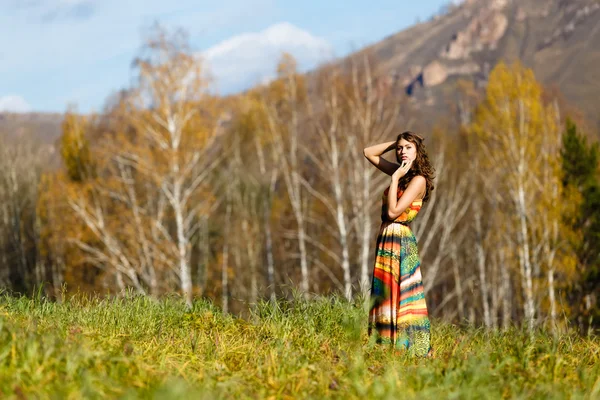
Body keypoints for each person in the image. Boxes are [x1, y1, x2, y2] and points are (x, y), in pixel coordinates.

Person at [363, 131, 435, 357]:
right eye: (400, 148)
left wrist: (394, 179)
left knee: (403, 293)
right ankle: (384, 343)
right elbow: (368, 152)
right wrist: (397, 142)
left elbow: (394, 212)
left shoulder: (418, 179)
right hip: (387, 239)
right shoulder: (400, 172)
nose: (402, 151)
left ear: (418, 152)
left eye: (408, 148)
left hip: (400, 240)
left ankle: (411, 348)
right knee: (384, 291)